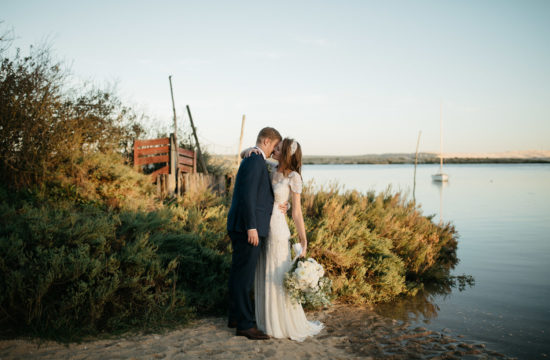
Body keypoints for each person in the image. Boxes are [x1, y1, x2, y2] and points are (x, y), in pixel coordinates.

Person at [245, 138, 324, 341]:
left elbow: (296, 212)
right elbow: (245, 154)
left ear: (286, 153)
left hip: (279, 228)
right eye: (274, 147)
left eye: (278, 149)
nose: (274, 150)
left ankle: (279, 323)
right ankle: (265, 320)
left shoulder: (294, 177)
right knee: (264, 271)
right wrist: (253, 149)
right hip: (264, 226)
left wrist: (304, 240)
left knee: (277, 274)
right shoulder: (271, 167)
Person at [226, 127, 282, 340]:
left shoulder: (255, 157)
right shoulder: (255, 160)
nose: (274, 151)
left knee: (238, 274)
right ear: (266, 141)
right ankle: (245, 325)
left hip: (243, 226)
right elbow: (247, 196)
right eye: (274, 146)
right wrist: (252, 227)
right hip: (247, 228)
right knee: (244, 277)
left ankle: (235, 316)